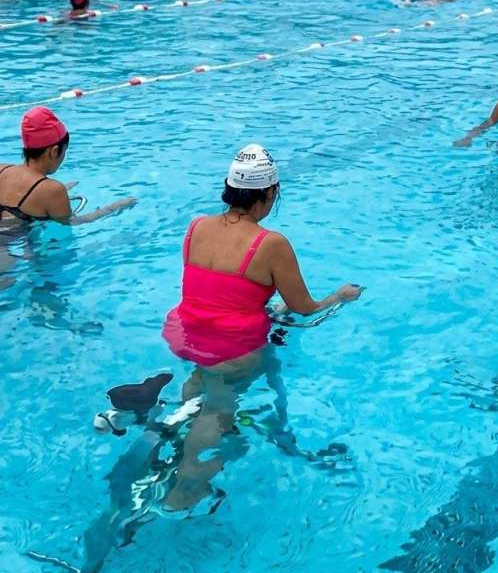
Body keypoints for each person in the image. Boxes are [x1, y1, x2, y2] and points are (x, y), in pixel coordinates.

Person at [161, 143, 361, 508]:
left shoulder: (196, 227)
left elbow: (216, 292)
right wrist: (340, 297)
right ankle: (187, 484)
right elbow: (305, 310)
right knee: (220, 405)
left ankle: (175, 438)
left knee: (202, 379)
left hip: (186, 334)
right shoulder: (271, 244)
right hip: (233, 348)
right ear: (269, 194)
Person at [0, 106, 136, 227]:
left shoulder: (2, 169)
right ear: (54, 151)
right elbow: (72, 222)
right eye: (64, 151)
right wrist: (113, 208)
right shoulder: (53, 190)